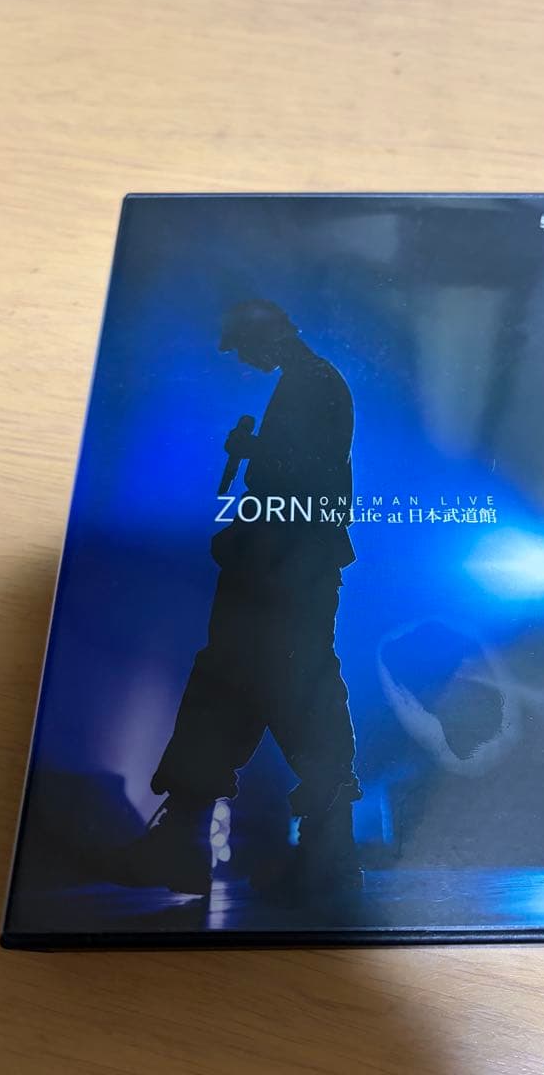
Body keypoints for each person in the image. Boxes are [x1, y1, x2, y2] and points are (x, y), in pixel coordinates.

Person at [127, 300, 361, 897]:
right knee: (246, 685)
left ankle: (318, 851)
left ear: (266, 338)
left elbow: (313, 476)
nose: (243, 359)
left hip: (286, 566)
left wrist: (253, 453)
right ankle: (200, 840)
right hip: (279, 562)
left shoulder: (314, 383)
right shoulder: (308, 381)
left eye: (244, 347)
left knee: (285, 687)